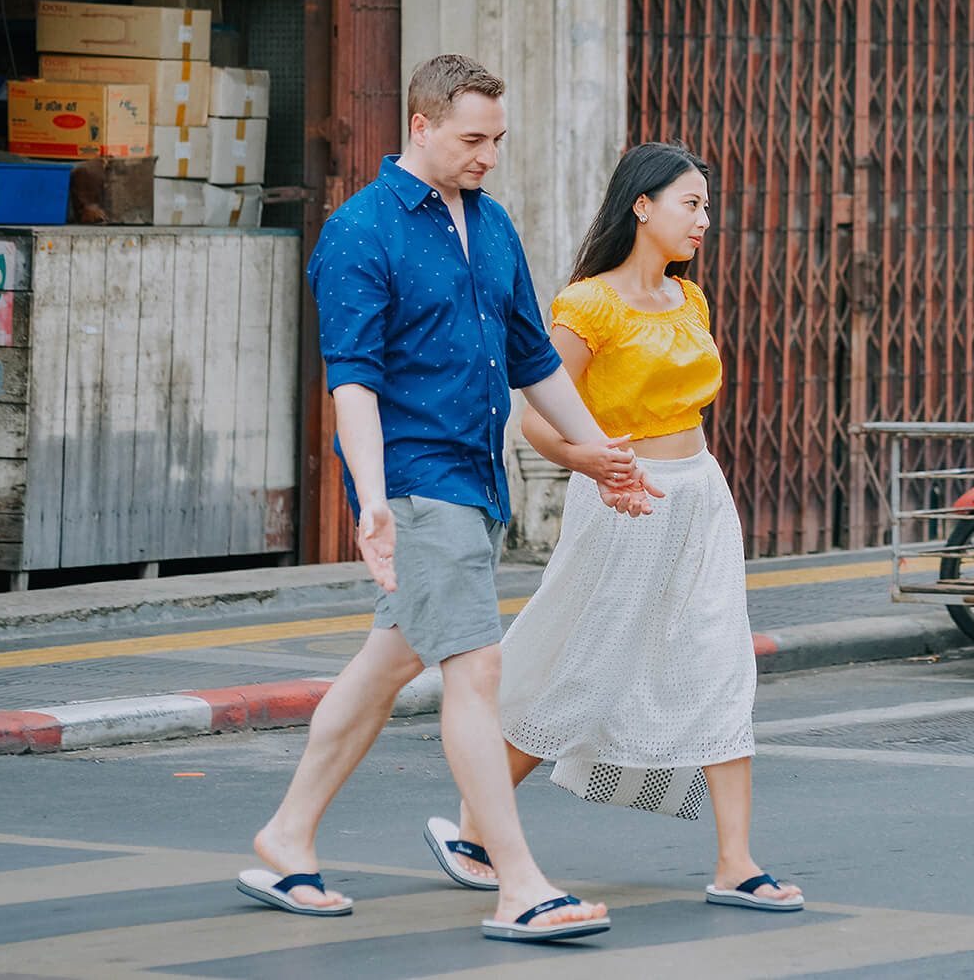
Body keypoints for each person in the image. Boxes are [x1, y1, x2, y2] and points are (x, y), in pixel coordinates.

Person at [237, 55, 661, 943]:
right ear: (420, 126)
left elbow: (532, 358)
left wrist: (595, 453)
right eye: (473, 139)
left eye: (498, 140)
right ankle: (519, 883)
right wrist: (372, 499)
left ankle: (285, 836)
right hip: (420, 484)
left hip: (475, 480)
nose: (488, 157)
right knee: (476, 672)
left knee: (385, 666)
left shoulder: (493, 225)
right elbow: (351, 383)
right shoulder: (362, 232)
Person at [421, 142, 803, 913]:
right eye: (690, 204)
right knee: (586, 665)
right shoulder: (589, 304)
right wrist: (597, 466)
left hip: (700, 495)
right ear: (642, 207)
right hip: (624, 500)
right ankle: (471, 825)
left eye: (705, 205)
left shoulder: (688, 301)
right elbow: (535, 421)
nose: (705, 219)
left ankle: (736, 862)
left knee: (720, 661)